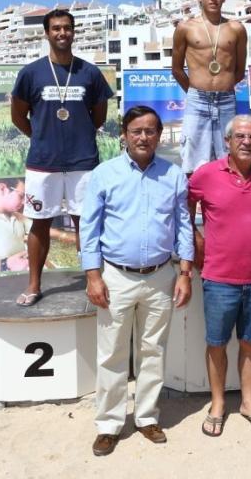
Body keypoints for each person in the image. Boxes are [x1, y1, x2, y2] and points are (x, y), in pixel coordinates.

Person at [80, 106, 194, 456]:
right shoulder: (104, 174)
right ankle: (109, 424)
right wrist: (93, 276)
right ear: (125, 135)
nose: (143, 137)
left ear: (159, 136)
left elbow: (184, 225)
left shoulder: (173, 176)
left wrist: (185, 273)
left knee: (152, 352)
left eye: (150, 131)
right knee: (112, 353)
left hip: (161, 276)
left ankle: (146, 417)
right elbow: (89, 228)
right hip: (116, 276)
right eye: (136, 131)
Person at [187, 115, 251, 437]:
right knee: (216, 344)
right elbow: (184, 211)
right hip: (218, 279)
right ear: (227, 141)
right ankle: (217, 404)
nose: (247, 141)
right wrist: (197, 246)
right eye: (240, 136)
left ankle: (248, 402)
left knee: (250, 343)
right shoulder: (206, 175)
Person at [10, 9, 114, 306]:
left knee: (86, 222)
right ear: (46, 33)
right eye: (56, 28)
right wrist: (42, 136)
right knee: (40, 224)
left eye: (67, 28)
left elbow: (98, 116)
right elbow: (18, 115)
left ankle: (92, 281)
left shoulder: (89, 73)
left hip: (83, 162)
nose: (62, 33)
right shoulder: (31, 73)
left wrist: (77, 136)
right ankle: (33, 285)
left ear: (74, 32)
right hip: (43, 163)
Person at [171, 0, 248, 174]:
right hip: (197, 100)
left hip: (226, 100)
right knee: (192, 162)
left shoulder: (236, 28)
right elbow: (177, 69)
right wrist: (197, 91)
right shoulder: (185, 28)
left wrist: (223, 86)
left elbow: (239, 70)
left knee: (230, 158)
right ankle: (190, 205)